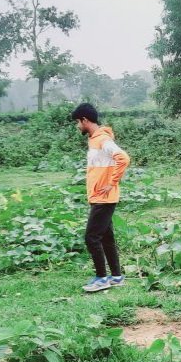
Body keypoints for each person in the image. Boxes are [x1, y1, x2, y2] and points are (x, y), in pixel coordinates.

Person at [72, 103, 130, 293]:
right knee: (106, 238)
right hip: (100, 196)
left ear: (84, 120)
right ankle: (116, 276)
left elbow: (123, 158)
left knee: (91, 237)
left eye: (77, 123)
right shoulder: (94, 139)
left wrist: (111, 183)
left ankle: (101, 278)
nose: (77, 127)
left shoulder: (102, 139)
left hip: (103, 198)